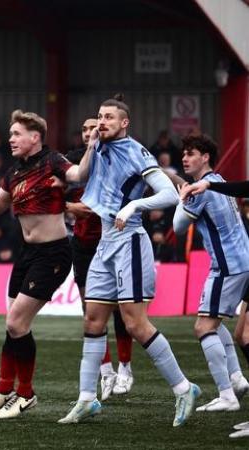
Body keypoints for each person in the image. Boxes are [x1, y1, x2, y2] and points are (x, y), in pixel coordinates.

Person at [58, 94, 199, 427]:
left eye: (108, 117)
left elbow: (167, 193)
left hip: (130, 241)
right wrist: (92, 145)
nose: (101, 121)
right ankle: (87, 399)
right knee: (92, 320)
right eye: (99, 116)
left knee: (135, 323)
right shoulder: (99, 147)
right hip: (104, 243)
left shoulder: (137, 152)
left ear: (124, 123)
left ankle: (184, 388)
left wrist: (134, 206)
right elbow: (78, 177)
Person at [0, 110, 73, 419]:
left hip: (53, 254)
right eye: (11, 133)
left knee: (16, 323)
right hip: (27, 252)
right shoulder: (14, 172)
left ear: (35, 137)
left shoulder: (54, 161)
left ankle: (26, 394)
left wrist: (94, 143)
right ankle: (4, 390)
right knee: (13, 325)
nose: (11, 139)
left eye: (17, 134)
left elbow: (80, 174)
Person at [173, 134, 249, 412]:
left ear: (205, 157)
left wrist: (181, 196)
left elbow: (179, 226)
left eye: (191, 153)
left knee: (203, 327)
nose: (184, 157)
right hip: (242, 261)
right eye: (184, 153)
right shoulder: (219, 182)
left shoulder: (200, 189)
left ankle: (226, 395)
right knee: (216, 324)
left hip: (228, 265)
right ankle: (237, 379)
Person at [65, 118, 134, 401]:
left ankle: (126, 368)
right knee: (90, 310)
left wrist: (81, 207)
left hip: (113, 241)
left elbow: (104, 206)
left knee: (120, 309)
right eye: (82, 129)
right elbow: (55, 192)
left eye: (92, 127)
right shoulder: (72, 162)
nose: (88, 133)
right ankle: (106, 372)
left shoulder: (115, 158)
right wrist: (68, 206)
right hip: (82, 245)